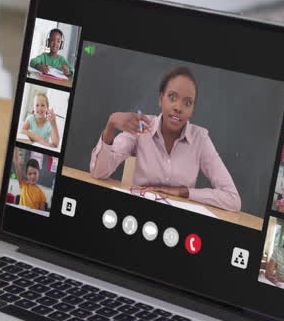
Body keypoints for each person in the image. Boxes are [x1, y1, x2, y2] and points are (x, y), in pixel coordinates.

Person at [89, 66, 242, 212]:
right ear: (161, 99)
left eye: (187, 102)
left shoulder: (200, 139)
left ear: (193, 109)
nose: (179, 107)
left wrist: (183, 192)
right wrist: (111, 125)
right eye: (172, 97)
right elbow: (98, 173)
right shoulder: (141, 126)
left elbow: (232, 199)